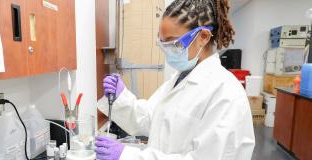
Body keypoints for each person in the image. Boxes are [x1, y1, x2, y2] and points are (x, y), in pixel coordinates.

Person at [95, 0, 255, 160]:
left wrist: (128, 155)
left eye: (174, 43)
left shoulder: (226, 93)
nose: (167, 50)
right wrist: (122, 97)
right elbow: (152, 119)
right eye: (163, 42)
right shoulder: (179, 79)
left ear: (204, 37)